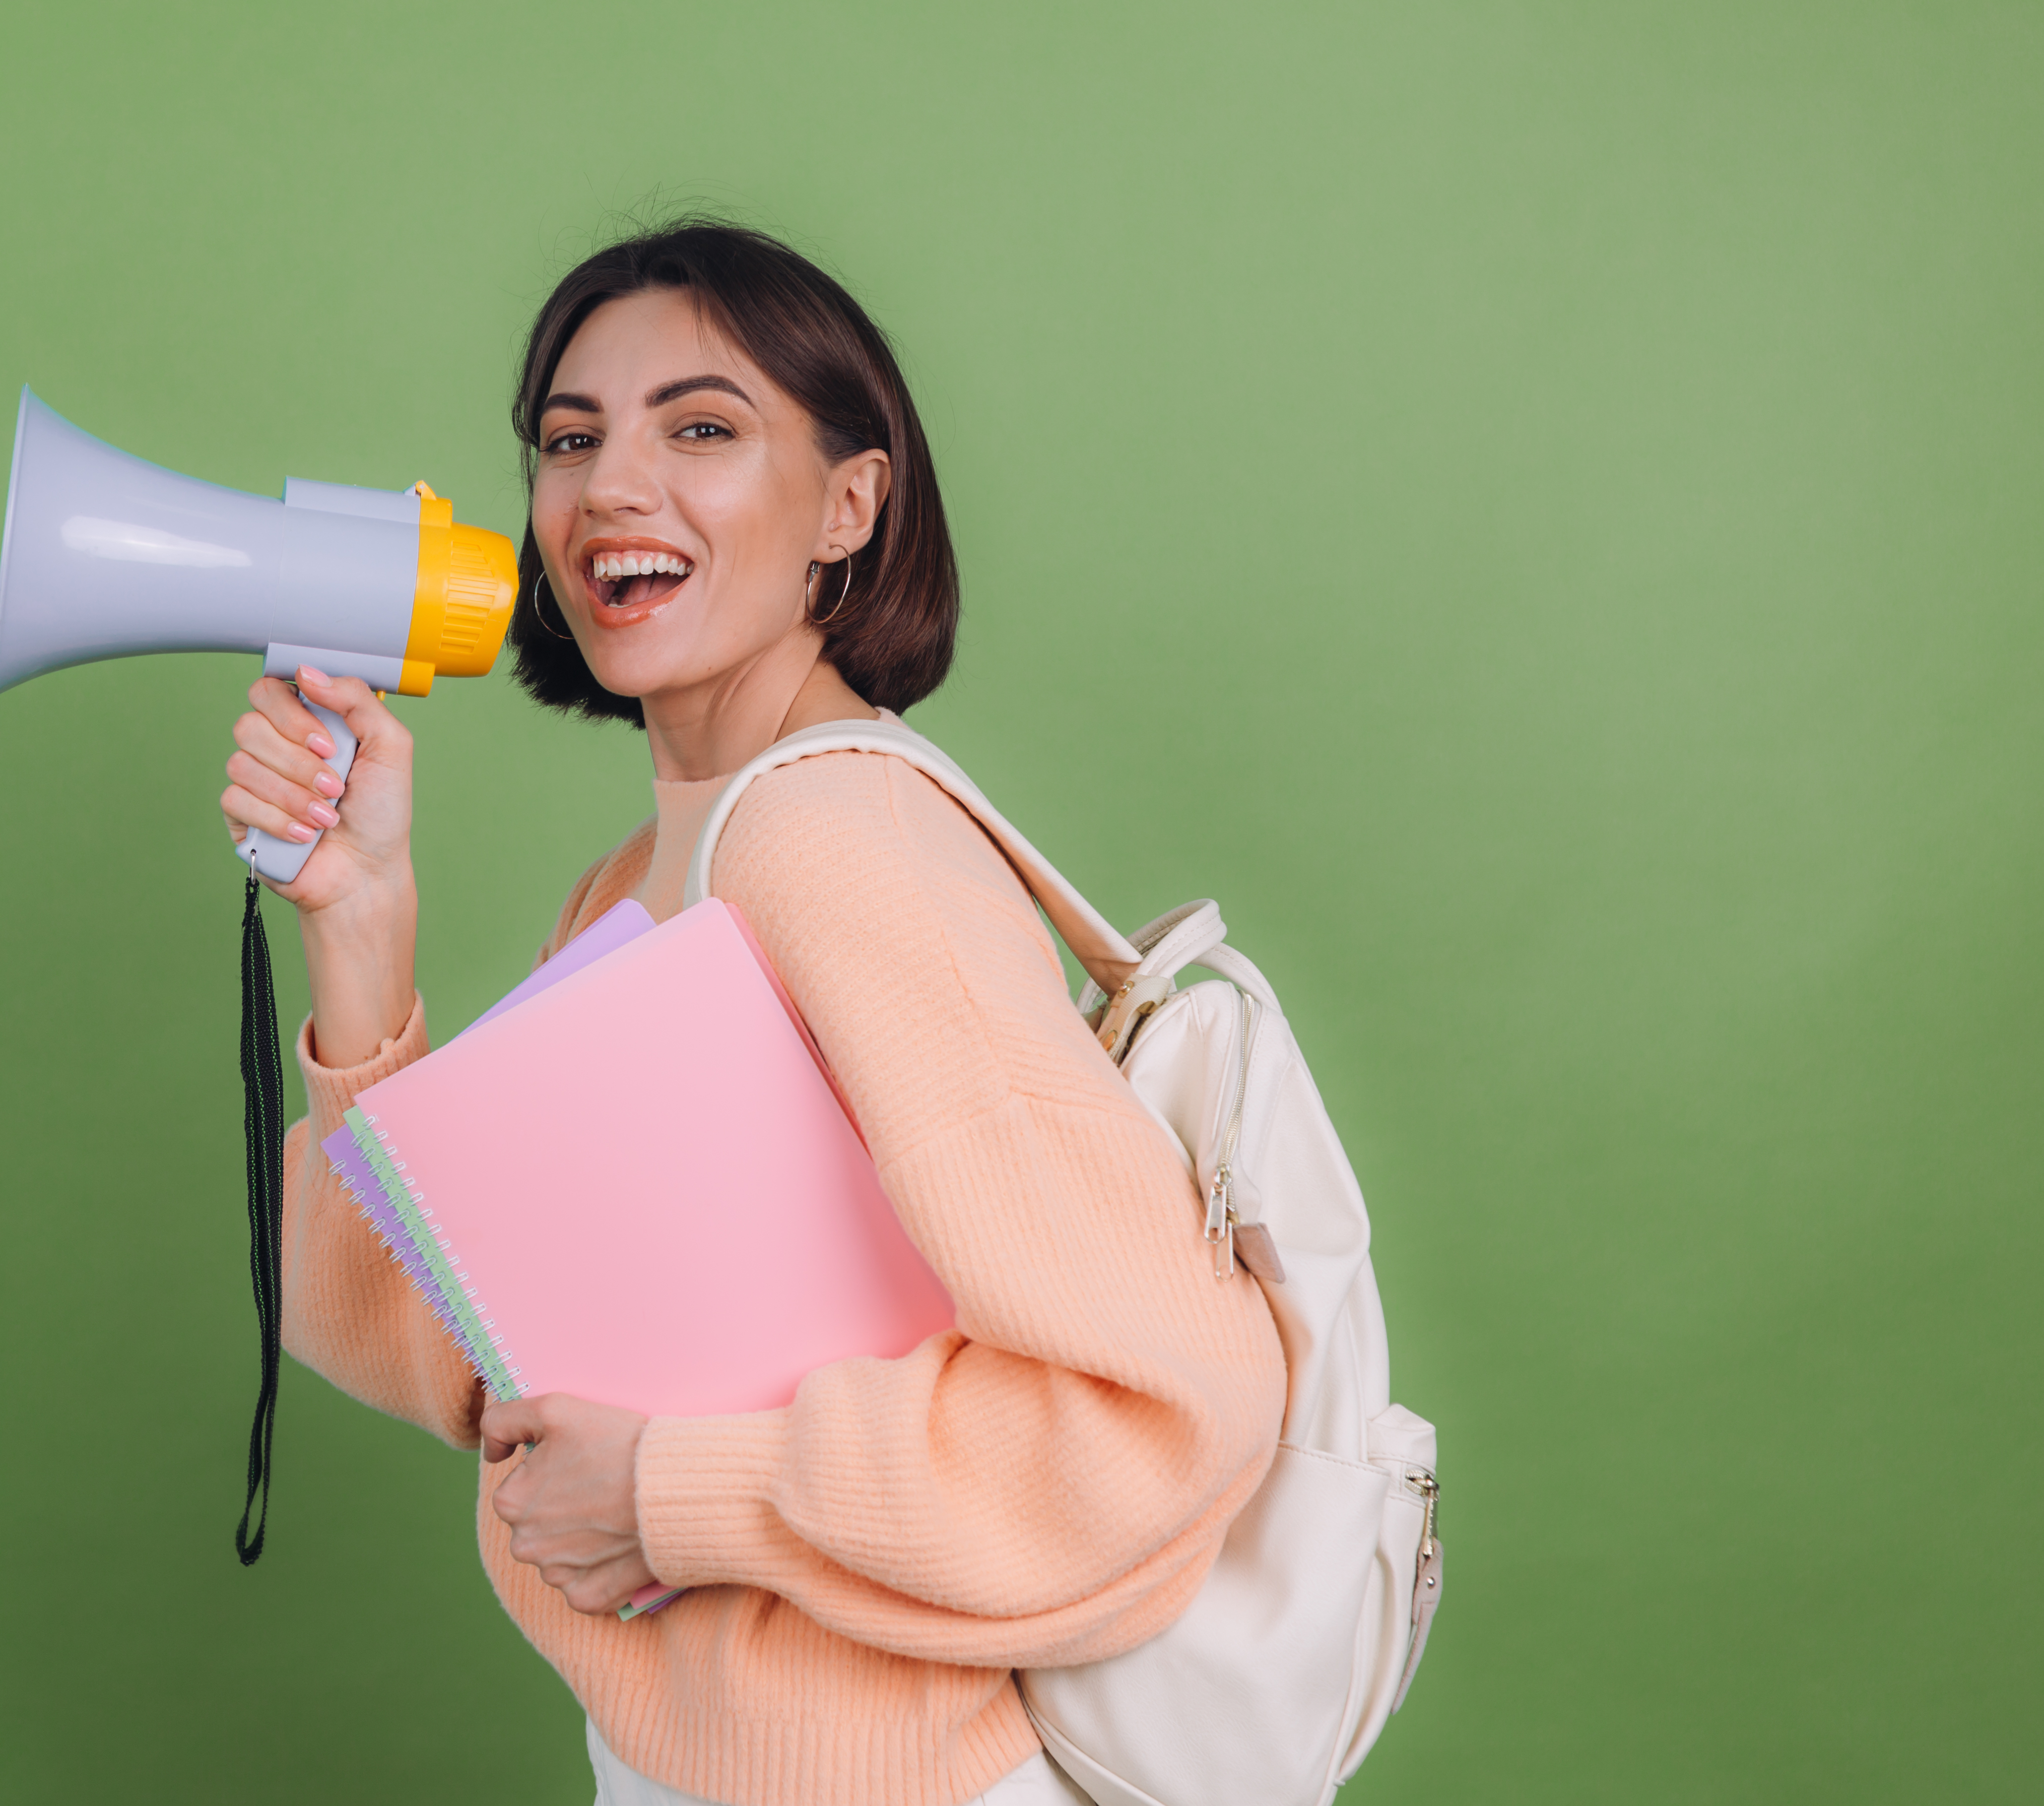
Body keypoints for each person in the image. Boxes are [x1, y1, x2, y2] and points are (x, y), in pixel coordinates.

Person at [217, 221, 1287, 1806]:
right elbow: (444, 1348)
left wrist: (673, 1492)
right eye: (568, 443)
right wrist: (363, 920)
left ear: (847, 506)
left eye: (700, 429)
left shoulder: (836, 848)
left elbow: (1156, 1406)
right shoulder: (647, 874)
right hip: (697, 1764)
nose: (610, 491)